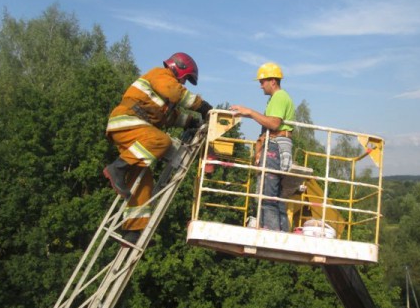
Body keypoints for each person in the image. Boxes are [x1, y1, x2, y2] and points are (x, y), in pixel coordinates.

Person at [104, 52, 212, 245]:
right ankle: (117, 168)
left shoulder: (161, 95)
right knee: (162, 141)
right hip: (127, 121)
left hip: (134, 130)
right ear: (178, 68)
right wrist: (203, 107)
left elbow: (171, 116)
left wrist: (191, 122)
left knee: (143, 181)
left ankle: (132, 231)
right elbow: (174, 91)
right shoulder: (160, 75)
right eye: (186, 78)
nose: (184, 83)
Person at [230, 62, 295, 232]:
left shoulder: (279, 97)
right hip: (278, 145)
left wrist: (250, 112)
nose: (260, 85)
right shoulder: (278, 98)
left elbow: (274, 123)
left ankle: (272, 233)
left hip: (275, 146)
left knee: (267, 195)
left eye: (262, 81)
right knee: (276, 195)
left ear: (273, 81)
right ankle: (281, 233)